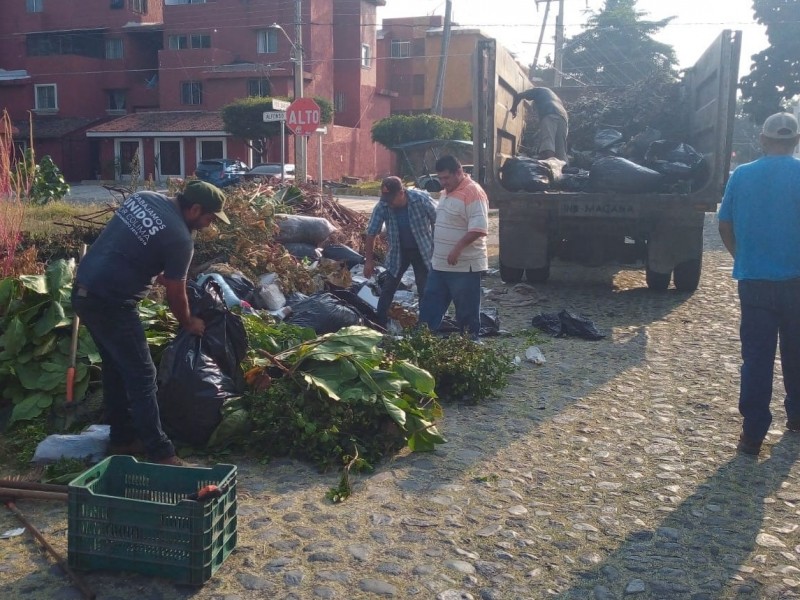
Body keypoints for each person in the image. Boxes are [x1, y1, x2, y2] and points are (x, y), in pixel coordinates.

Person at [72, 180, 230, 465]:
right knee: (143, 376)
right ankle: (161, 452)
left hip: (84, 291)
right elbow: (174, 291)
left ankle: (121, 439)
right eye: (209, 217)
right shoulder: (181, 238)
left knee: (116, 368)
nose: (210, 224)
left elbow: (132, 242)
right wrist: (188, 322)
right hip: (113, 303)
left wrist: (158, 269)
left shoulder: (144, 197)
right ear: (194, 209)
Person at [718, 111, 800, 456]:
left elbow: (725, 224)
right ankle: (796, 419)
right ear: (795, 142)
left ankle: (753, 435)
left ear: (763, 140)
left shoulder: (743, 175)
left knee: (756, 358)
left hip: (753, 282)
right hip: (797, 282)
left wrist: (744, 257)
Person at [418, 155, 489, 340]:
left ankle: (470, 344)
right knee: (430, 306)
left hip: (463, 266)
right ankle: (422, 341)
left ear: (459, 172)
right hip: (440, 264)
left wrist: (457, 249)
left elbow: (479, 229)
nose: (443, 183)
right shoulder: (445, 193)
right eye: (440, 178)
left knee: (466, 312)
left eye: (446, 178)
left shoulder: (473, 192)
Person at [364, 176, 436, 327]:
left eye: (391, 198)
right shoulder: (383, 205)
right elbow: (371, 233)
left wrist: (437, 246)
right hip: (398, 251)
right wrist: (368, 262)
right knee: (388, 287)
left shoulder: (421, 199)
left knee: (424, 288)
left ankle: (424, 327)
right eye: (386, 198)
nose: (389, 202)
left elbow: (438, 221)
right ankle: (380, 323)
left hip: (422, 249)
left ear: (401, 193)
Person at [509, 86, 569, 161]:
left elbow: (519, 95)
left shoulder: (538, 90)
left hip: (550, 113)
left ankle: (548, 167)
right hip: (563, 117)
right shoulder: (552, 96)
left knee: (548, 142)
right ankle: (564, 169)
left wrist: (513, 108)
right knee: (561, 149)